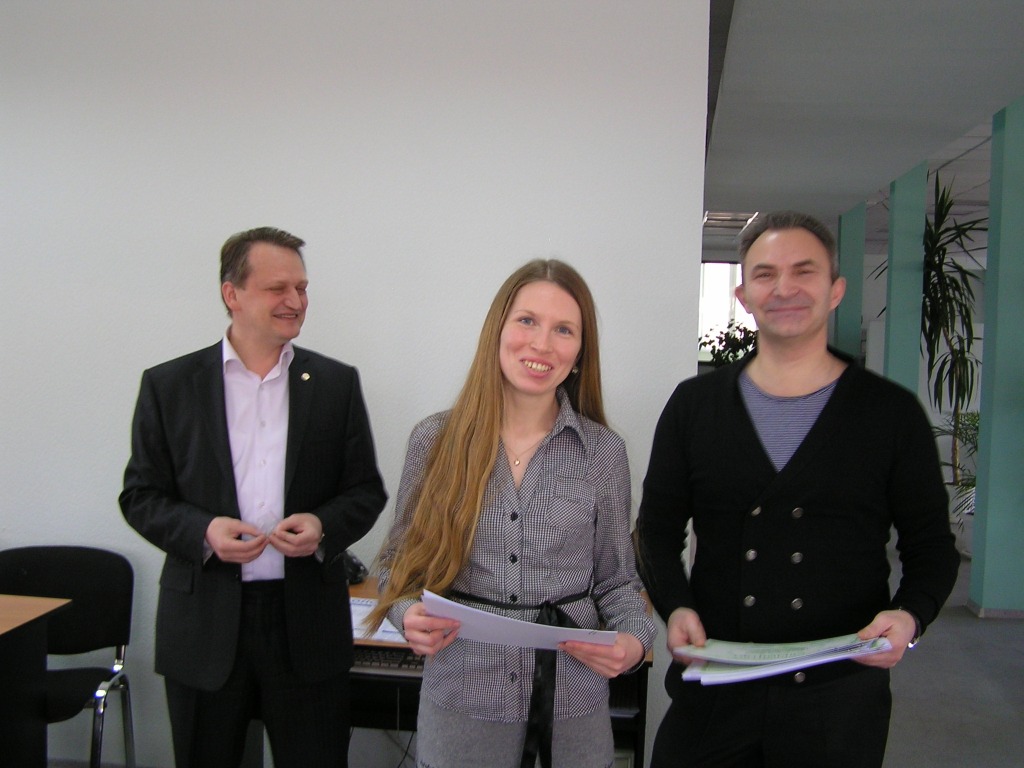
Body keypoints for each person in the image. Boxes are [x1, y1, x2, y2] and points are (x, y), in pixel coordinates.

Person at [636, 211, 960, 768]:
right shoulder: (694, 406)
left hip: (839, 699)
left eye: (804, 271)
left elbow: (931, 546)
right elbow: (656, 532)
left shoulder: (890, 414)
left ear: (835, 290)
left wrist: (909, 617)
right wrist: (676, 605)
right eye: (765, 274)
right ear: (744, 296)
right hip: (717, 684)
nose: (784, 288)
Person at [368, 259, 655, 768]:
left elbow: (617, 581)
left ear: (580, 351)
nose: (542, 344)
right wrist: (406, 612)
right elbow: (396, 565)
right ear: (497, 331)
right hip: (462, 702)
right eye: (527, 321)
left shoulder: (603, 453)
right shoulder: (435, 440)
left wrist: (633, 641)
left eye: (563, 329)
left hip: (572, 706)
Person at [120, 227, 387, 768]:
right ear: (232, 293)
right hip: (205, 623)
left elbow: (365, 491)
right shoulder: (170, 386)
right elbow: (141, 495)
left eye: (302, 288)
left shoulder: (335, 384)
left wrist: (322, 526)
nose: (296, 301)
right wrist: (203, 532)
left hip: (306, 624)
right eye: (277, 288)